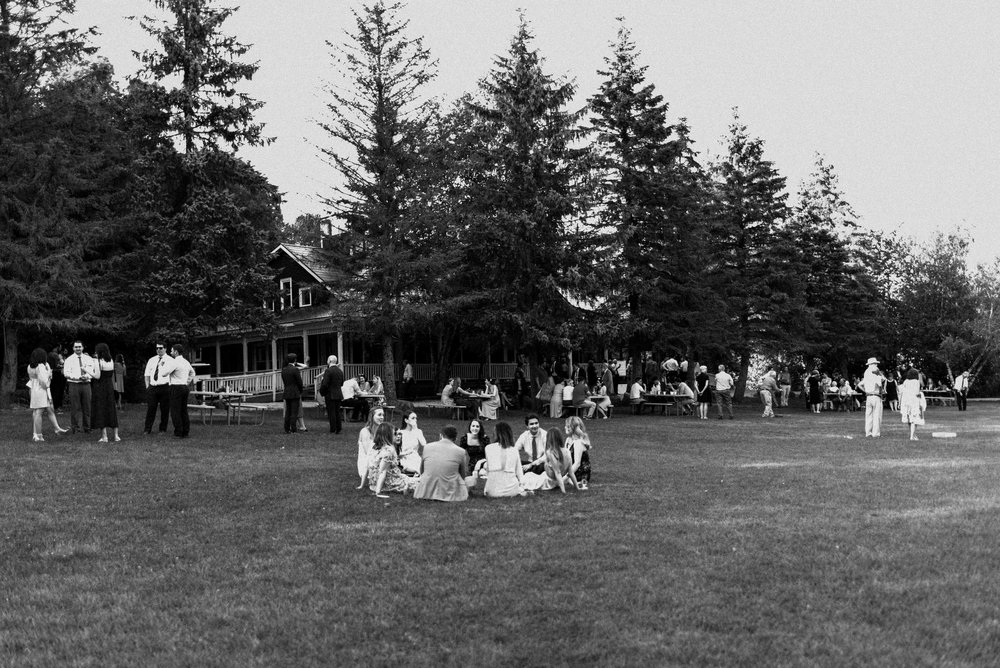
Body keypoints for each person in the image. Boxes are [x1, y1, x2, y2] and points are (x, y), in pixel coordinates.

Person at [413, 425, 470, 502]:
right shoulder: (461, 451)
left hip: (425, 491)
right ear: (455, 438)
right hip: (450, 492)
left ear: (441, 435)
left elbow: (422, 470)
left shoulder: (427, 447)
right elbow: (462, 474)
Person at [27, 348, 69, 442]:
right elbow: (44, 383)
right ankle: (39, 435)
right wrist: (49, 375)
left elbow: (33, 378)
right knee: (39, 412)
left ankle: (38, 434)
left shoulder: (30, 366)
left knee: (37, 411)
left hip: (34, 389)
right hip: (41, 390)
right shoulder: (41, 366)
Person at [475, 421, 527, 497]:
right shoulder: (514, 450)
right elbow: (519, 472)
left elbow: (489, 470)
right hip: (512, 491)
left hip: (492, 491)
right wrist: (522, 486)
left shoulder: (488, 448)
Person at [522, 429, 578, 493]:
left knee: (526, 478)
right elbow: (571, 472)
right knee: (529, 475)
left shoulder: (550, 452)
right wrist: (577, 487)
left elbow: (558, 472)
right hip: (556, 479)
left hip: (548, 481)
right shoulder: (567, 451)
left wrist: (563, 491)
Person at [368, 423, 417, 498]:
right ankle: (404, 487)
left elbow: (370, 466)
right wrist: (378, 492)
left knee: (411, 478)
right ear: (388, 435)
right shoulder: (389, 450)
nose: (396, 435)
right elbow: (382, 471)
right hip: (389, 482)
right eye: (394, 433)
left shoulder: (376, 447)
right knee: (420, 483)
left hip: (373, 485)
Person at [63, 341, 97, 433]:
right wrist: (77, 377)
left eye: (79, 347)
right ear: (73, 348)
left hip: (86, 384)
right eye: (76, 347)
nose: (78, 348)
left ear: (83, 348)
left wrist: (87, 376)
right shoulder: (69, 360)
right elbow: (66, 373)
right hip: (74, 384)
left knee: (87, 407)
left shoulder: (89, 359)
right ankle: (75, 428)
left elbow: (93, 371)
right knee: (75, 407)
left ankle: (87, 427)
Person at [90, 343, 120, 443]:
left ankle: (104, 436)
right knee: (111, 408)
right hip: (109, 386)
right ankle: (116, 436)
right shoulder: (111, 360)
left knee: (101, 409)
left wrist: (86, 369)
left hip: (100, 387)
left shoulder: (98, 361)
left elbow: (97, 376)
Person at [143, 343, 174, 435]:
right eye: (157, 348)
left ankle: (162, 429)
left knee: (165, 409)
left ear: (165, 349)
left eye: (160, 348)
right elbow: (147, 374)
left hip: (165, 386)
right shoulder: (152, 360)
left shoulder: (170, 360)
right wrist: (147, 387)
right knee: (151, 408)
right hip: (153, 387)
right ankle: (147, 429)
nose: (158, 350)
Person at [166, 344, 195, 439]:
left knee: (175, 411)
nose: (170, 353)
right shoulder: (186, 362)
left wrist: (163, 366)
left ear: (176, 352)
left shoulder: (174, 362)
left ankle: (178, 431)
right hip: (184, 387)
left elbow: (164, 373)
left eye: (171, 351)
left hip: (175, 387)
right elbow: (192, 372)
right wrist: (187, 381)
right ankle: (185, 431)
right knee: (183, 410)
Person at [356, 407, 386, 489]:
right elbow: (368, 453)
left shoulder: (382, 430)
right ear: (372, 416)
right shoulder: (365, 431)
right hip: (367, 462)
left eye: (383, 415)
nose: (382, 417)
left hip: (379, 458)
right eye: (379, 415)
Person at [860, 357, 886, 438]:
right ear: (874, 364)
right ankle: (876, 433)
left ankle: (868, 432)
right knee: (877, 415)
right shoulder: (875, 373)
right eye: (875, 364)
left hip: (868, 396)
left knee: (868, 415)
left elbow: (860, 385)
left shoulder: (866, 373)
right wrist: (882, 392)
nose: (876, 365)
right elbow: (881, 382)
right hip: (876, 395)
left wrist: (866, 391)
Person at [318, 355, 345, 434]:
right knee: (337, 412)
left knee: (331, 412)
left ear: (329, 361)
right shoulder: (340, 371)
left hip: (330, 394)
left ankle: (333, 428)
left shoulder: (328, 371)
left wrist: (322, 392)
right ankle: (338, 428)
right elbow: (342, 383)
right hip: (338, 393)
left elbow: (325, 384)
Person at [564, 416, 591, 490]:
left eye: (568, 426)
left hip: (579, 473)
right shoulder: (568, 439)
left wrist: (565, 477)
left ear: (573, 428)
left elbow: (577, 464)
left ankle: (572, 481)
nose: (565, 427)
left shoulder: (578, 442)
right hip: (570, 470)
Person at [899, 367, 926, 441]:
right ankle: (912, 435)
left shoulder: (906, 381)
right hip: (914, 401)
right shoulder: (916, 382)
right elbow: (919, 390)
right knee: (915, 419)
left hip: (906, 402)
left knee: (909, 419)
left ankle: (913, 434)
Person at [281, 353, 304, 435]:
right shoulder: (295, 370)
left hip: (287, 391)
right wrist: (300, 391)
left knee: (288, 411)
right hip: (294, 392)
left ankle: (286, 428)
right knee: (294, 412)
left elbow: (284, 381)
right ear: (295, 360)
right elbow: (299, 382)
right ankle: (293, 429)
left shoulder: (284, 369)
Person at [48, 346, 66, 413]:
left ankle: (52, 406)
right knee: (58, 391)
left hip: (51, 373)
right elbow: (57, 365)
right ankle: (57, 406)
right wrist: (64, 364)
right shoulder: (55, 355)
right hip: (57, 374)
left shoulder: (48, 354)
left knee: (52, 390)